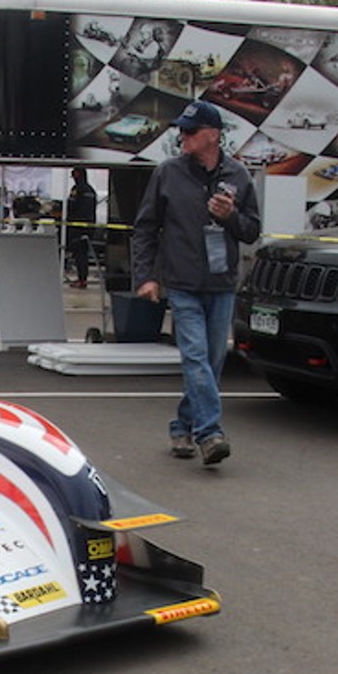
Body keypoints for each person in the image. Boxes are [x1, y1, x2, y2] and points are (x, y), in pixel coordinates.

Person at [130, 100, 260, 466]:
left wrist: (231, 216)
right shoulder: (168, 173)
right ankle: (210, 433)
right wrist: (147, 277)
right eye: (181, 130)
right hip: (182, 282)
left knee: (211, 363)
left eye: (190, 131)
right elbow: (144, 228)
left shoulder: (239, 176)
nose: (182, 136)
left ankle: (181, 426)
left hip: (220, 283)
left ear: (213, 136)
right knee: (196, 357)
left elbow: (252, 231)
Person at [66, 168, 98, 288]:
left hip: (77, 227)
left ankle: (81, 280)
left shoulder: (77, 189)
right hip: (89, 226)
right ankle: (82, 278)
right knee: (83, 253)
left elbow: (71, 205)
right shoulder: (91, 190)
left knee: (79, 254)